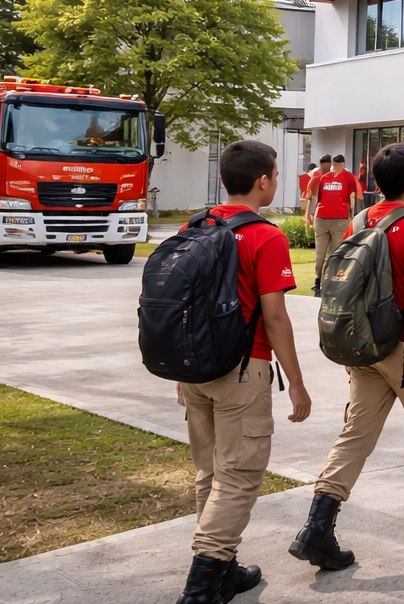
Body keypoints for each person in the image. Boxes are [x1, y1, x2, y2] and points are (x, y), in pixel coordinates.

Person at [292, 143, 404, 575]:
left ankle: (318, 523)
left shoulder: (359, 220)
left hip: (364, 347)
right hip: (403, 348)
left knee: (355, 434)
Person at [172, 140, 311, 604]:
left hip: (194, 368)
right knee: (240, 476)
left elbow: (182, 308)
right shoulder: (266, 236)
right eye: (275, 175)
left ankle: (225, 568)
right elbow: (275, 317)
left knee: (210, 473)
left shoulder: (195, 226)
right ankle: (201, 585)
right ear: (262, 181)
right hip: (243, 369)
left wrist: (180, 368)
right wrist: (296, 382)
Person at [309, 154, 361, 297]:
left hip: (339, 218)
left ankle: (327, 283)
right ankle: (319, 282)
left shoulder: (348, 178)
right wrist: (312, 214)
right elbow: (318, 198)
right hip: (325, 218)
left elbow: (352, 196)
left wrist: (351, 216)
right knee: (322, 253)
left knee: (333, 253)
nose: (337, 167)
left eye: (338, 165)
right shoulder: (325, 178)